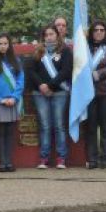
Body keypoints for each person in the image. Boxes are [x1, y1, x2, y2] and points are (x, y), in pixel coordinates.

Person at [27, 24, 71, 169]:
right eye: (46, 35)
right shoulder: (38, 51)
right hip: (40, 93)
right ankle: (44, 158)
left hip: (59, 92)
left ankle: (61, 158)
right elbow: (32, 71)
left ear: (57, 35)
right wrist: (42, 86)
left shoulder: (65, 51)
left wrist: (51, 86)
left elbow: (66, 71)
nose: (49, 37)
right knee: (45, 126)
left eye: (51, 34)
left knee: (59, 126)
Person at [0, 33, 24, 172]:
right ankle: (2, 162)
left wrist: (14, 97)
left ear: (9, 45)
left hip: (12, 101)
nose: (3, 46)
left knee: (10, 132)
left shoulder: (15, 60)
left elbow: (20, 80)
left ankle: (9, 161)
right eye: (0, 44)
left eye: (5, 43)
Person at [85, 20, 106, 168]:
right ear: (91, 33)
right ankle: (92, 159)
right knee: (91, 127)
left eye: (102, 30)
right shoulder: (85, 49)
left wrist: (95, 74)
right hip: (89, 93)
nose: (99, 32)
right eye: (96, 30)